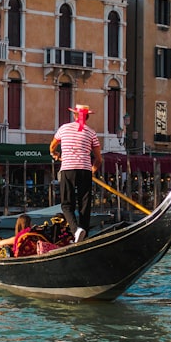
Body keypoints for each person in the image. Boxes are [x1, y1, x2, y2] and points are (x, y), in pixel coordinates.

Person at [49, 103, 102, 242]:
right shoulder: (91, 132)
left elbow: (52, 146)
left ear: (74, 115)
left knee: (67, 204)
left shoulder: (64, 128)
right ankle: (84, 235)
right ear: (87, 117)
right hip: (85, 170)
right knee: (85, 204)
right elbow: (98, 159)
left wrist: (55, 153)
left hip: (68, 169)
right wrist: (93, 170)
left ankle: (76, 230)